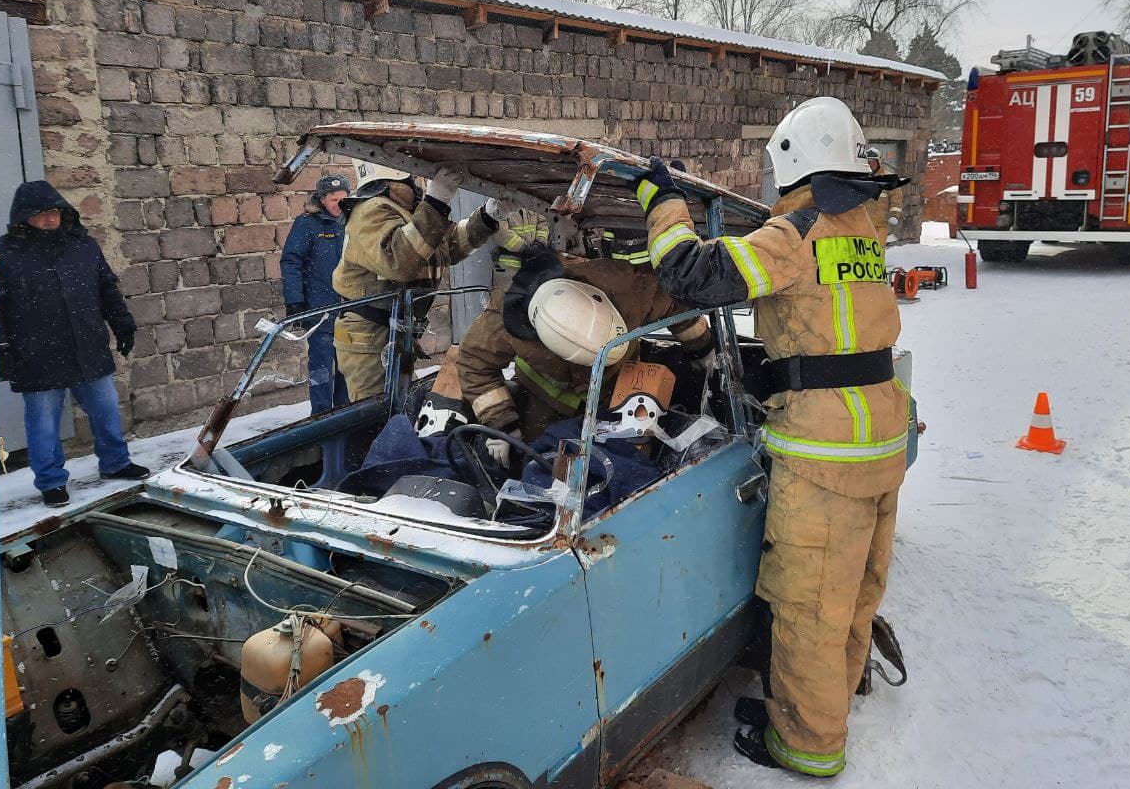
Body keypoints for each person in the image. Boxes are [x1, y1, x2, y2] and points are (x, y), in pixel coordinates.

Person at [631, 97, 908, 778]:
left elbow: (688, 274)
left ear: (791, 163)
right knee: (851, 593)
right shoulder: (862, 224)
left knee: (809, 603)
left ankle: (806, 745)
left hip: (824, 446)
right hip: (879, 431)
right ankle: (823, 707)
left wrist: (660, 200)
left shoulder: (795, 232)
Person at [455, 240, 715, 464]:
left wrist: (701, 348)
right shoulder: (502, 320)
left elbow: (677, 307)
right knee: (541, 460)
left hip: (615, 391)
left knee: (623, 457)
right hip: (540, 401)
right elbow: (473, 363)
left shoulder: (627, 287)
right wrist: (502, 425)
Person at [0, 181, 149, 507]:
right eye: (41, 214)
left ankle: (115, 463)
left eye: (55, 212)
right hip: (36, 353)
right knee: (43, 423)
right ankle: (50, 482)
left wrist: (123, 326)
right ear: (24, 216)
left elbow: (107, 290)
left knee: (105, 411)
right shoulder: (1, 255)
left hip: (87, 345)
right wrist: (2, 351)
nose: (50, 219)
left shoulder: (83, 246)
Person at [332, 162, 499, 401]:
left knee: (396, 407)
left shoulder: (406, 211)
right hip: (371, 339)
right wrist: (436, 202)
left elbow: (446, 248)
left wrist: (487, 217)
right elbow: (399, 262)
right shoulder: (372, 209)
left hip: (394, 332)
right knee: (374, 412)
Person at [281, 172, 352, 413]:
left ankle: (345, 412)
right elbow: (291, 262)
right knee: (321, 368)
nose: (339, 205)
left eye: (343, 199)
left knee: (348, 365)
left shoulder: (353, 221)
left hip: (351, 310)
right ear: (321, 199)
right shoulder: (307, 224)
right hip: (321, 309)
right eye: (333, 200)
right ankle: (321, 415)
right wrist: (295, 302)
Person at [863, 147, 904, 248]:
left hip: (880, 224)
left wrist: (894, 215)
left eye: (873, 162)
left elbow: (896, 200)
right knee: (862, 252)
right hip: (862, 224)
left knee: (877, 250)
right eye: (868, 162)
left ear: (879, 162)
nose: (871, 165)